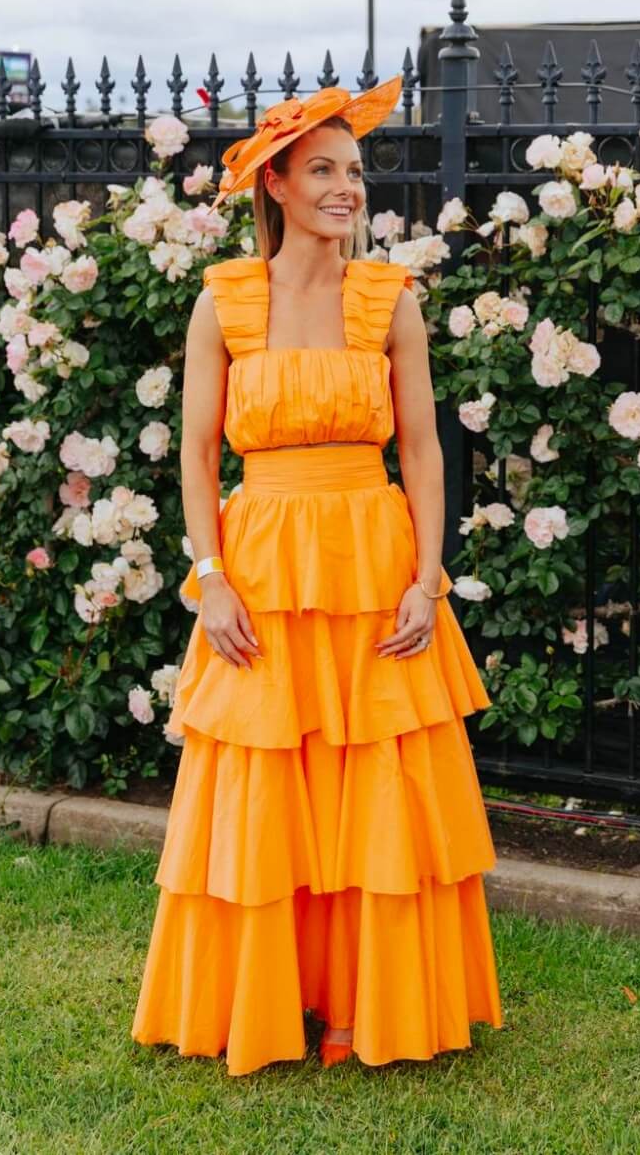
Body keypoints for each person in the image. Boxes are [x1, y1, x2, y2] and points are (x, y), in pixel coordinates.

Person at [131, 76, 502, 1075]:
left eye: (357, 171)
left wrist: (427, 579)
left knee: (372, 779)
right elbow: (197, 458)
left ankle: (358, 1006)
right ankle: (269, 998)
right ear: (279, 186)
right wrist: (208, 578)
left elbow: (423, 452)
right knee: (266, 780)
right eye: (326, 171)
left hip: (374, 564)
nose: (349, 188)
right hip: (259, 568)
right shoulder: (226, 301)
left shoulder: (390, 299)